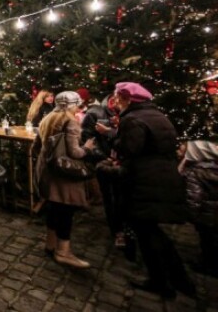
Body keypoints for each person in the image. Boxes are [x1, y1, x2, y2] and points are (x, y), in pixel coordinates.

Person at [112, 82, 195, 299]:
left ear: (127, 99)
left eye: (117, 97)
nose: (115, 102)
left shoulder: (132, 119)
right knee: (151, 230)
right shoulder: (158, 115)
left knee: (147, 232)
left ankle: (163, 281)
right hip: (164, 176)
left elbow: (130, 149)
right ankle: (177, 279)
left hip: (144, 180)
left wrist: (115, 138)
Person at [34, 90, 96, 269]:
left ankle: (50, 244)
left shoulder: (47, 119)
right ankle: (63, 252)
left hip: (49, 172)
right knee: (65, 212)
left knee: (54, 208)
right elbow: (75, 152)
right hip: (65, 176)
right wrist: (88, 147)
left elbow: (36, 146)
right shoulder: (70, 122)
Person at [82, 95, 124, 247]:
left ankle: (125, 228)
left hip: (125, 161)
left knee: (123, 196)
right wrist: (104, 158)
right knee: (111, 197)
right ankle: (118, 231)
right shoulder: (95, 113)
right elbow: (88, 139)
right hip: (106, 163)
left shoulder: (129, 113)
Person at [180, 140, 218, 277]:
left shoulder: (197, 172)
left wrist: (191, 216)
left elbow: (193, 197)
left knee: (207, 241)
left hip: (205, 215)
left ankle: (208, 265)